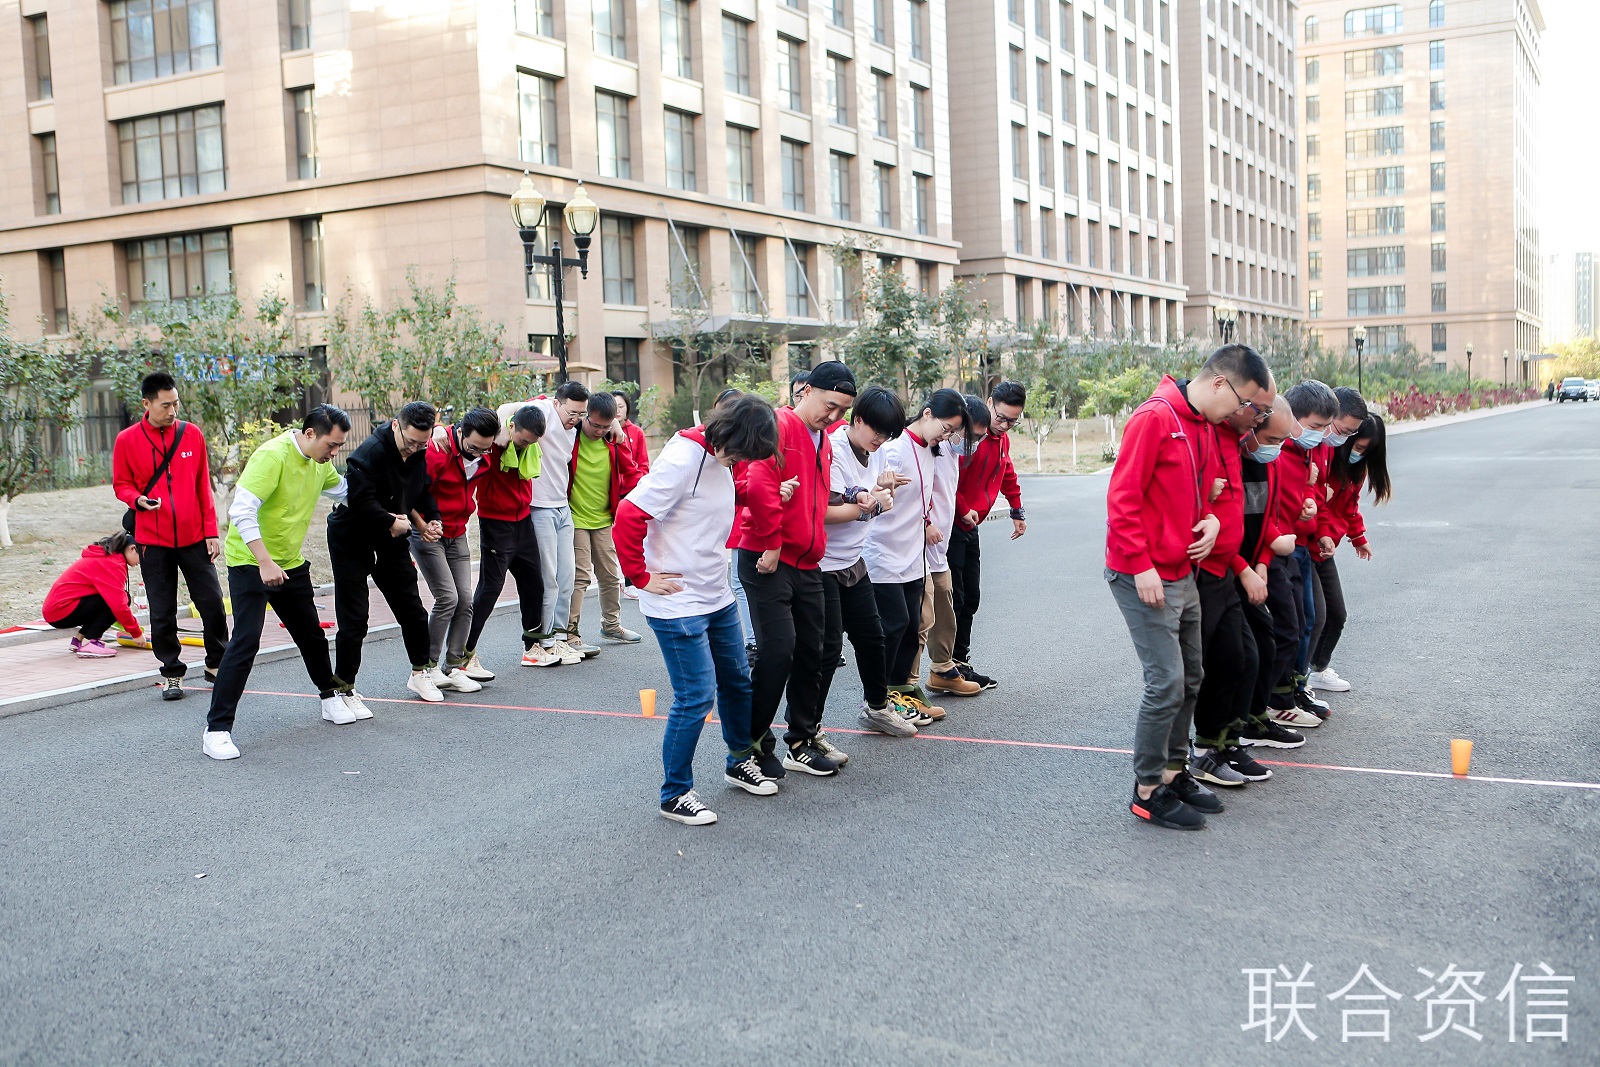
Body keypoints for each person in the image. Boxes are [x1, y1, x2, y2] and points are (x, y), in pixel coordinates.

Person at [1105, 346, 1272, 831]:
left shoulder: (1200, 425)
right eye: (1246, 403)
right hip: (1145, 574)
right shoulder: (1154, 418)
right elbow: (1123, 497)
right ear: (1221, 383)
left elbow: (1211, 493)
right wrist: (1141, 565)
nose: (1244, 416)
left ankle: (1175, 771)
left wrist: (1215, 524)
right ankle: (1147, 789)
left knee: (1192, 676)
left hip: (1183, 571)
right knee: (1166, 682)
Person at [614, 394, 783, 824]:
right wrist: (640, 577)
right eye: (744, 452)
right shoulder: (683, 458)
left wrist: (753, 490)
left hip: (715, 593)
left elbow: (712, 501)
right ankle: (675, 793)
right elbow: (628, 514)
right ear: (731, 434)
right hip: (677, 602)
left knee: (737, 682)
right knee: (695, 698)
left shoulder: (721, 461)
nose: (743, 461)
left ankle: (738, 761)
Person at [203, 406, 352, 761]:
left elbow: (346, 491)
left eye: (339, 448)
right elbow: (239, 510)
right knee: (245, 641)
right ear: (311, 434)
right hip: (251, 562)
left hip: (289, 563)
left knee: (311, 634)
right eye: (332, 445)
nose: (334, 453)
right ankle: (217, 730)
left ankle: (330, 698)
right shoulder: (272, 456)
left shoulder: (320, 463)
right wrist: (264, 562)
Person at [736, 360, 857, 778]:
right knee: (778, 651)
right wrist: (771, 542)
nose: (834, 416)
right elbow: (755, 484)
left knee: (819, 650)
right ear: (805, 392)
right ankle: (751, 744)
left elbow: (818, 499)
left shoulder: (823, 437)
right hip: (767, 558)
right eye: (829, 405)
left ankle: (801, 741)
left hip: (807, 560)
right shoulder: (780, 426)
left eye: (842, 410)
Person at [1187, 350, 1276, 789]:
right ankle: (1202, 751)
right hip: (1204, 571)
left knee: (1243, 657)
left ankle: (1225, 740)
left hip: (1226, 567)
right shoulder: (1205, 432)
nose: (1258, 418)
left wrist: (1242, 565)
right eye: (1256, 408)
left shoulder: (1234, 440)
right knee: (1204, 667)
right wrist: (1243, 567)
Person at [111, 371, 228, 700]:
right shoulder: (127, 440)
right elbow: (121, 483)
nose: (173, 410)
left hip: (194, 538)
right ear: (146, 404)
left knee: (213, 605)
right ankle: (172, 673)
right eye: (166, 405)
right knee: (162, 613)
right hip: (152, 542)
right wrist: (137, 501)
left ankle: (216, 664)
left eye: (176, 403)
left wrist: (211, 532)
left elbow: (203, 485)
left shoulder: (192, 434)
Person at [865, 388, 973, 729]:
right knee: (893, 626)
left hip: (914, 554)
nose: (949, 435)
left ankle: (902, 690)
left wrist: (926, 522)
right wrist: (882, 489)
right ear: (926, 413)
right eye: (947, 426)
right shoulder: (893, 449)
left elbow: (924, 499)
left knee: (913, 627)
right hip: (883, 551)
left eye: (954, 431)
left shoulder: (930, 450)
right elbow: (869, 495)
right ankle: (878, 699)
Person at [327, 402, 443, 709]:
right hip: (352, 538)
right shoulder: (368, 453)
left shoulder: (418, 450)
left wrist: (432, 519)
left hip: (392, 537)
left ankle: (421, 671)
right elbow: (360, 501)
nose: (416, 449)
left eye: (423, 443)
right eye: (411, 442)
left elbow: (421, 491)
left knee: (412, 609)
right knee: (355, 619)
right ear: (395, 426)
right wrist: (391, 522)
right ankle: (344, 688)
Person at [817, 385, 916, 738]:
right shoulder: (834, 450)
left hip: (853, 561)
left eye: (888, 434)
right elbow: (824, 511)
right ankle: (808, 730)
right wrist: (871, 504)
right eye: (878, 431)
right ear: (857, 419)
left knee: (873, 638)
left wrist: (880, 494)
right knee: (827, 652)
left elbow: (874, 497)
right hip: (823, 565)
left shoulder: (877, 452)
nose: (882, 440)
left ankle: (876, 708)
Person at [1232, 405, 1309, 754]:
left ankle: (1256, 715)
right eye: (1272, 439)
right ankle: (1230, 731)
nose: (1277, 447)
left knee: (1266, 639)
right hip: (1229, 569)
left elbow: (1264, 520)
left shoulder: (1268, 463)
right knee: (1237, 653)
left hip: (1253, 566)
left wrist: (1262, 562)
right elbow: (1224, 526)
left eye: (1281, 440)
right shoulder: (1233, 460)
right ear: (1249, 429)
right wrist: (1244, 568)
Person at [411, 405, 499, 695]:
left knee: (465, 600)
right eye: (473, 447)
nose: (478, 453)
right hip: (428, 532)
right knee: (447, 597)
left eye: (485, 450)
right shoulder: (438, 449)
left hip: (458, 532)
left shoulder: (483, 452)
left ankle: (455, 665)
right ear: (459, 432)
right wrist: (424, 525)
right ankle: (427, 667)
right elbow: (411, 493)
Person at [949, 380, 1027, 690]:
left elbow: (1007, 473)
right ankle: (947, 667)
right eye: (1002, 417)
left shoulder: (1001, 440)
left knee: (971, 598)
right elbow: (946, 479)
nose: (1006, 425)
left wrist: (1017, 510)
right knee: (954, 599)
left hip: (971, 526)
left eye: (1013, 421)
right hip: (952, 525)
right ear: (990, 402)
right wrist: (963, 508)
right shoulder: (968, 438)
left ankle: (961, 662)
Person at [1309, 410, 1391, 693]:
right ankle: (1293, 681)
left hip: (1325, 547)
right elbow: (1317, 506)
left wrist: (1358, 537)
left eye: (1366, 452)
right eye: (1357, 447)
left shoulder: (1357, 469)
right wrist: (1323, 533)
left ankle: (1316, 669)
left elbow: (1350, 506)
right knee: (1313, 616)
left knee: (1336, 615)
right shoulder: (1325, 461)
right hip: (1309, 545)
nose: (1359, 455)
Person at [1274, 380, 1341, 721]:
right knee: (1292, 625)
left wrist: (1312, 507)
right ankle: (1281, 698)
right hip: (1282, 549)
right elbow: (1277, 509)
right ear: (1292, 418)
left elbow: (1306, 504)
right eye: (1316, 427)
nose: (1322, 434)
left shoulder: (1306, 451)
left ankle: (1297, 688)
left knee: (1309, 620)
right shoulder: (1279, 450)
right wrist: (1306, 507)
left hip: (1301, 544)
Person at [466, 403, 550, 668]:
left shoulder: (530, 446)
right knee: (490, 588)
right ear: (512, 427)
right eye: (524, 440)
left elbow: (544, 398)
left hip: (523, 521)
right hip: (495, 523)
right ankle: (463, 654)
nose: (527, 445)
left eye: (532, 442)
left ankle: (532, 647)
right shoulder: (492, 442)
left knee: (534, 583)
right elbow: (501, 408)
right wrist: (501, 424)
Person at [911, 396, 984, 700]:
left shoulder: (948, 451)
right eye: (962, 433)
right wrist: (926, 521)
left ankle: (943, 669)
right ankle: (905, 684)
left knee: (946, 608)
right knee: (920, 619)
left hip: (940, 545)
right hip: (918, 547)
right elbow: (917, 490)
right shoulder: (922, 448)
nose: (965, 441)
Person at [521, 382, 592, 661]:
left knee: (567, 576)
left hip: (563, 508)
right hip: (539, 507)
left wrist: (617, 427)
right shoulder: (544, 410)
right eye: (571, 412)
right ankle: (543, 641)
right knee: (548, 578)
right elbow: (505, 409)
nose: (575, 418)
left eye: (580, 414)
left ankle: (560, 638)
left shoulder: (573, 428)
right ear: (556, 403)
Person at [567, 391, 643, 645]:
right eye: (594, 424)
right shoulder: (571, 435)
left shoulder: (613, 440)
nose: (598, 431)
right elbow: (545, 401)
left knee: (611, 575)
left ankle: (611, 625)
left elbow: (632, 474)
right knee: (580, 576)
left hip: (603, 518)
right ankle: (570, 634)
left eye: (604, 425)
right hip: (575, 516)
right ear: (585, 416)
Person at [43, 532, 144, 658]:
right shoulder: (112, 563)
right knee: (120, 599)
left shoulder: (106, 557)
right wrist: (136, 633)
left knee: (116, 597)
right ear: (133, 549)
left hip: (56, 609)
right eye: (142, 556)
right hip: (61, 610)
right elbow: (119, 605)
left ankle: (79, 639)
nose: (141, 562)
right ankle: (91, 643)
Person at [610, 390, 652, 475]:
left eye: (621, 407)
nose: (617, 411)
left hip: (633, 484)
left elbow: (643, 466)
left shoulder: (637, 432)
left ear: (627, 408)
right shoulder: (603, 430)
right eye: (614, 407)